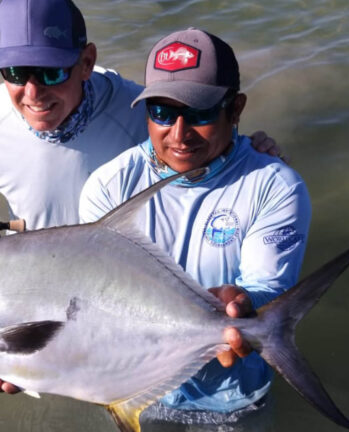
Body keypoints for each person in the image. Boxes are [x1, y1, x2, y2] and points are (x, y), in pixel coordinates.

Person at [0, 0, 281, 263]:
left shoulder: (137, 113)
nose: (32, 92)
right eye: (15, 72)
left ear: (87, 61)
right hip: (39, 277)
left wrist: (249, 153)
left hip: (130, 273)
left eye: (51, 72)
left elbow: (200, 150)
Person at [78, 28, 311, 424]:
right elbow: (95, 296)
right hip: (137, 389)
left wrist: (244, 302)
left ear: (235, 109)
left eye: (200, 114)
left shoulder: (275, 186)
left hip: (233, 396)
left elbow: (269, 287)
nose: (179, 134)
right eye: (162, 113)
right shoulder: (108, 185)